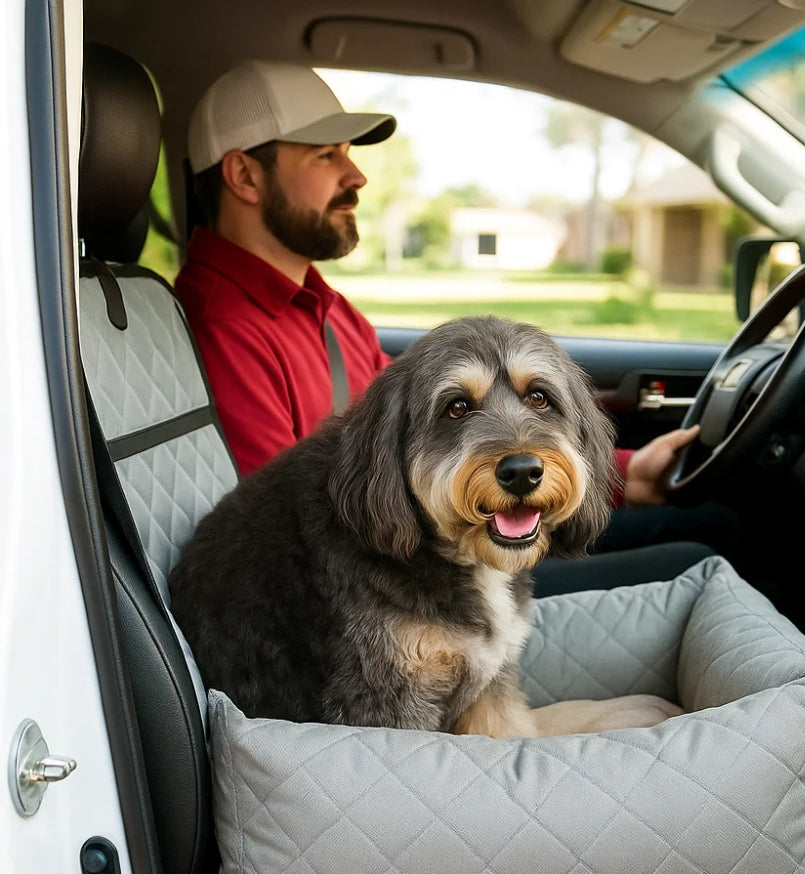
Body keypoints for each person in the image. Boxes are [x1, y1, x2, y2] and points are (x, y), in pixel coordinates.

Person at [175, 60, 733, 593]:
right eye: (325, 156)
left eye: (348, 153)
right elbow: (284, 531)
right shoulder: (221, 327)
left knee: (705, 523)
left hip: (440, 543)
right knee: (705, 552)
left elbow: (434, 424)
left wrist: (627, 472)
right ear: (244, 175)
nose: (357, 175)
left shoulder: (324, 305)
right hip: (394, 591)